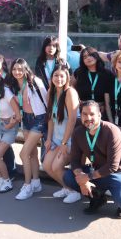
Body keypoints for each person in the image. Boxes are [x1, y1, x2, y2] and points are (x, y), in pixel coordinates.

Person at [63, 100, 121, 218]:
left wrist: (87, 177)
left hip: (120, 172)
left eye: (92, 114)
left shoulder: (112, 131)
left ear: (99, 114)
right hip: (98, 171)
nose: (88, 118)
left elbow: (112, 166)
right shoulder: (78, 132)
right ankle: (98, 198)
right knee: (68, 176)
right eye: (84, 114)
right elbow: (75, 161)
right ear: (80, 115)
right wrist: (82, 180)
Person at [6, 58, 48, 201]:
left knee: (23, 153)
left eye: (20, 69)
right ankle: (36, 182)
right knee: (31, 153)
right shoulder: (13, 85)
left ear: (25, 69)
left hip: (39, 119)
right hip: (26, 120)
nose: (17, 72)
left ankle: (27, 185)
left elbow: (46, 100)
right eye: (14, 69)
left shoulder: (35, 81)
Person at [43, 64, 81, 203]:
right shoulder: (51, 93)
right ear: (51, 77)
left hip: (70, 139)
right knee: (47, 166)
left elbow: (72, 120)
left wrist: (65, 143)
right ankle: (66, 187)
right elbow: (51, 119)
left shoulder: (70, 92)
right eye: (56, 75)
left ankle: (75, 191)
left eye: (62, 76)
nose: (59, 78)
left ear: (67, 78)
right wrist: (48, 139)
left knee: (56, 167)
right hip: (56, 138)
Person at [73, 47, 112, 118]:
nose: (88, 58)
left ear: (96, 56)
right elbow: (70, 87)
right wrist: (77, 99)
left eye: (91, 55)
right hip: (83, 110)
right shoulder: (78, 72)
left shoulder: (107, 73)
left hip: (101, 111)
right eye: (85, 57)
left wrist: (103, 104)